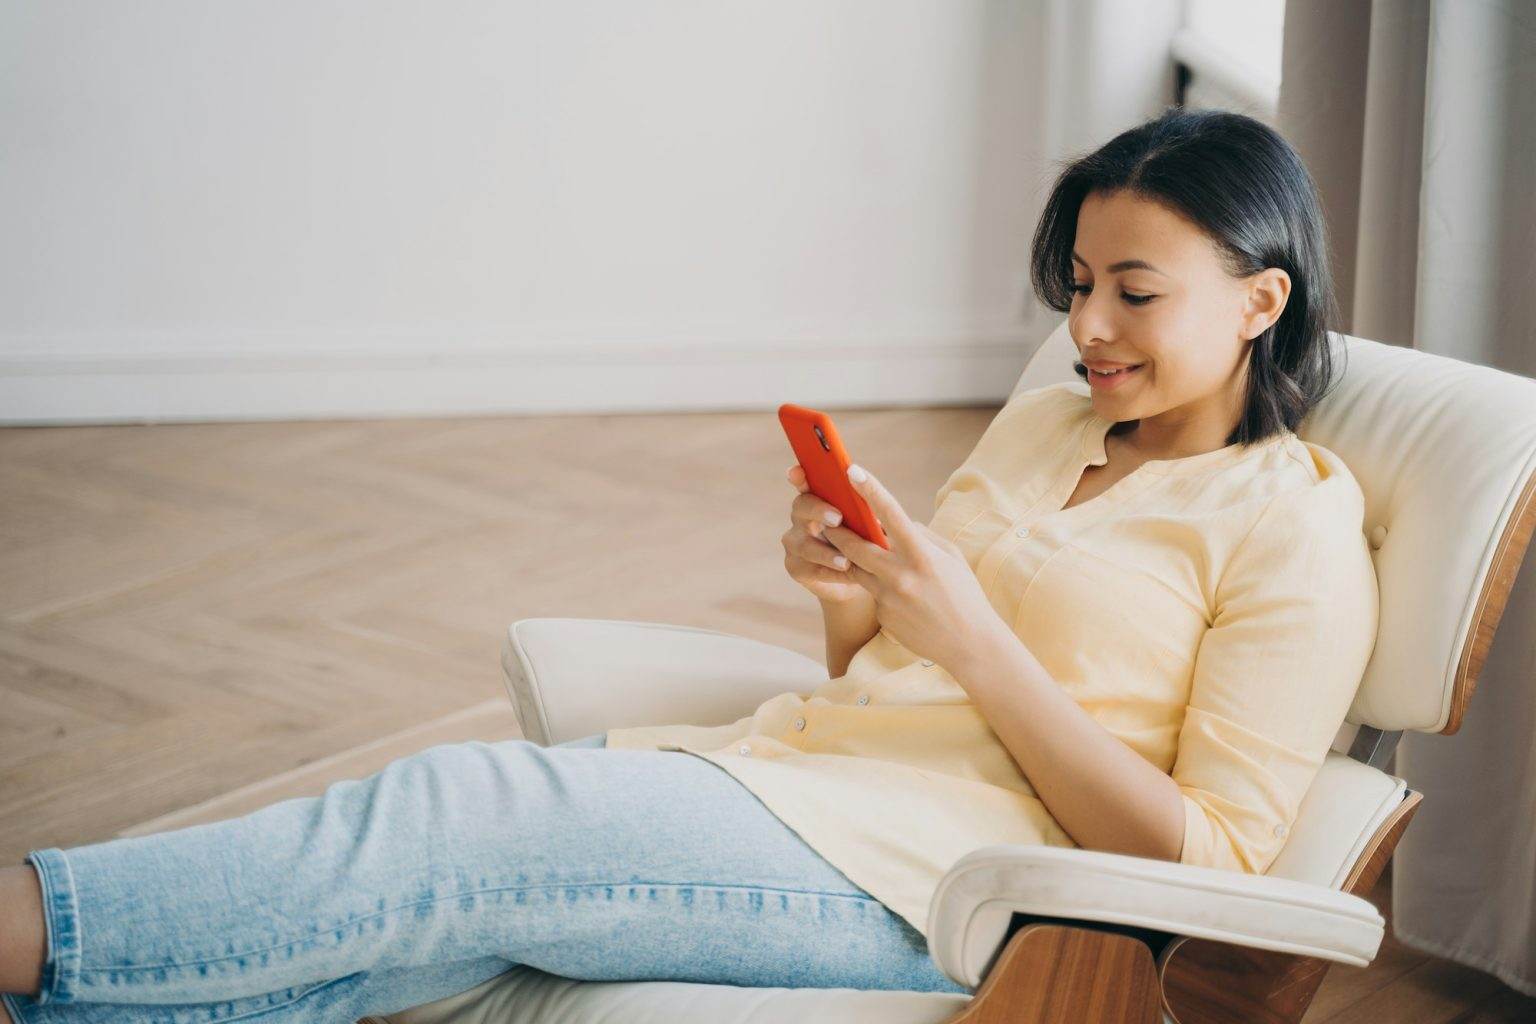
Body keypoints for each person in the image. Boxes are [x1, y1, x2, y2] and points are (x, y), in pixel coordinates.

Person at [0, 106, 1380, 1023]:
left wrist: (971, 639)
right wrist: (854, 602)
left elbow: (1219, 868)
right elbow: (891, 679)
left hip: (946, 885)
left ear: (1264, 298)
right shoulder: (1055, 418)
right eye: (1076, 282)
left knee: (462, 811)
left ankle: (18, 924)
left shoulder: (1293, 525)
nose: (1087, 324)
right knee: (414, 952)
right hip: (801, 777)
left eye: (1134, 292)